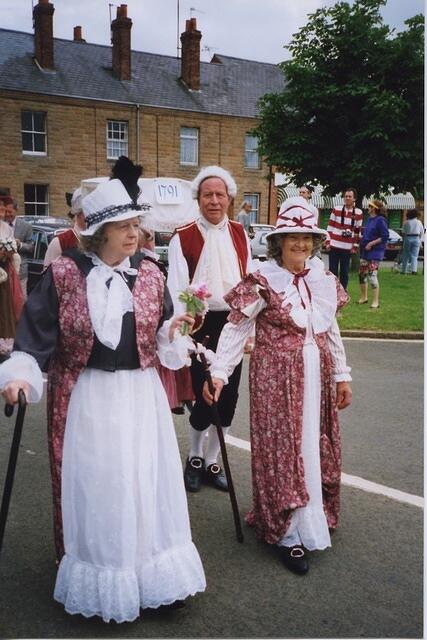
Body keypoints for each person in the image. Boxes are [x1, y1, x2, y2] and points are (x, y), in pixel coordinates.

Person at [0, 167, 206, 622]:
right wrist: (18, 377)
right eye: (124, 227)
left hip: (140, 395)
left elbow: (162, 332)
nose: (135, 234)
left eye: (136, 225)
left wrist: (176, 330)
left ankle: (153, 574)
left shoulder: (152, 273)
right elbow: (33, 339)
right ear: (98, 232)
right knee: (100, 483)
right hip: (88, 396)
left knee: (145, 479)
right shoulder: (63, 275)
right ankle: (104, 580)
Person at [203, 196, 352, 575]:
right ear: (279, 242)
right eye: (292, 238)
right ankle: (286, 532)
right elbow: (236, 328)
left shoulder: (323, 279)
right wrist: (220, 371)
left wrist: (341, 374)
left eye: (307, 239)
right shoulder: (263, 279)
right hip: (276, 380)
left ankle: (310, 517)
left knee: (311, 445)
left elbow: (329, 328)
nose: (300, 245)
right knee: (283, 448)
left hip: (314, 377)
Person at [167, 165, 252, 493]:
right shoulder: (183, 235)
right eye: (207, 195)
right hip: (199, 324)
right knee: (205, 396)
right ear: (198, 199)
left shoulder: (241, 234)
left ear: (229, 198)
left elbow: (249, 282)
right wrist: (183, 333)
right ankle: (195, 457)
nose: (214, 201)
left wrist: (251, 329)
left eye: (220, 195)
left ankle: (215, 460)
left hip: (235, 323)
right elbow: (177, 287)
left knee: (228, 396)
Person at [325, 188, 363, 290]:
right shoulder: (336, 209)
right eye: (346, 196)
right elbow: (330, 227)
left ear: (354, 198)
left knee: (344, 271)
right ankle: (332, 290)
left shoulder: (358, 213)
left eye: (350, 196)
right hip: (334, 245)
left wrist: (355, 246)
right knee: (332, 270)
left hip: (347, 247)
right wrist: (327, 242)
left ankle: (343, 291)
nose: (347, 198)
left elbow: (357, 231)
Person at [43, 188, 87, 267]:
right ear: (78, 212)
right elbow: (48, 276)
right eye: (88, 210)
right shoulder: (60, 242)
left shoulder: (103, 240)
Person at [358, 199, 389, 309]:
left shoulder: (381, 220)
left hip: (375, 252)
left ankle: (375, 301)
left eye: (370, 206)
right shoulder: (369, 219)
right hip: (365, 251)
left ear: (375, 208)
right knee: (362, 274)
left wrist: (371, 243)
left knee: (372, 275)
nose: (368, 208)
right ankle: (364, 297)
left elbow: (385, 236)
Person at [5, 198, 34, 298]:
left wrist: (20, 244)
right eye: (6, 211)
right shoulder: (1, 225)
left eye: (10, 211)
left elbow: (31, 247)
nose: (7, 214)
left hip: (21, 272)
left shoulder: (26, 226)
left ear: (16, 210)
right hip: (4, 271)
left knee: (20, 299)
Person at [400, 209, 424, 275]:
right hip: (416, 238)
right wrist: (421, 241)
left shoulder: (406, 222)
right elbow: (422, 232)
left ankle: (403, 270)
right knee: (414, 255)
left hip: (408, 238)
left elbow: (403, 232)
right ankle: (414, 270)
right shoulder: (419, 222)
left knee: (405, 255)